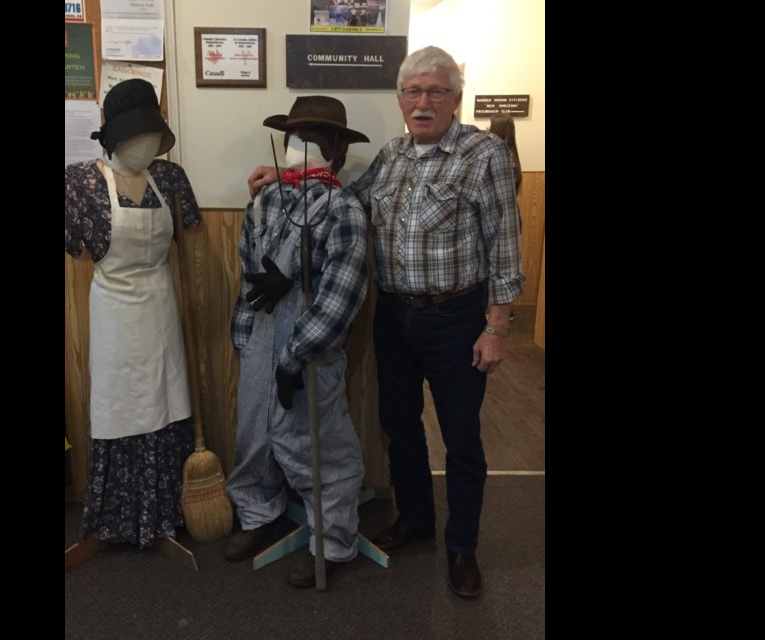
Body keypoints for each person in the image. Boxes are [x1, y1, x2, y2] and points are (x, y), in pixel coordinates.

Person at [247, 46, 525, 598]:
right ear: (400, 99)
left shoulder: (485, 154)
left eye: (435, 91)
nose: (423, 103)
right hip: (395, 314)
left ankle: (462, 545)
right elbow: (346, 199)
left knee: (462, 437)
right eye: (413, 92)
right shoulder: (393, 155)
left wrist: (495, 328)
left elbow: (506, 247)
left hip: (456, 317)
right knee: (400, 427)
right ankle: (417, 520)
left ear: (455, 98)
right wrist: (292, 178)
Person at [226, 96, 370, 588]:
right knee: (255, 433)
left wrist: (294, 357)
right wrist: (245, 338)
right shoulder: (267, 199)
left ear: (334, 150)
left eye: (310, 140)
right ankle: (257, 512)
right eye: (292, 137)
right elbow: (249, 267)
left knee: (318, 445)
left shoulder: (344, 209)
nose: (297, 147)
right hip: (261, 338)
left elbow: (340, 295)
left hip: (309, 345)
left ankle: (332, 542)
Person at [65, 78, 202, 549]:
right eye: (135, 134)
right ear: (113, 135)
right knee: (120, 407)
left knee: (166, 403)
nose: (145, 143)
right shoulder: (80, 182)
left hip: (160, 307)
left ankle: (164, 511)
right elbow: (77, 250)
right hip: (114, 313)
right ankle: (118, 519)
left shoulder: (169, 178)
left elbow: (189, 239)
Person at [488, 113, 522, 321]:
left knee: (498, 262)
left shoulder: (500, 156)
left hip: (500, 218)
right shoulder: (513, 156)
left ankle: (499, 312)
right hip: (511, 217)